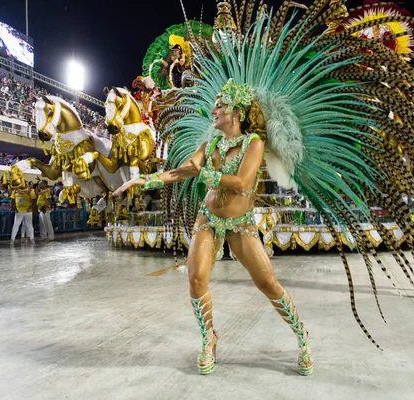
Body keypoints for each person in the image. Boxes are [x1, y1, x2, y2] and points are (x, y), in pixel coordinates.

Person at [113, 81, 313, 376]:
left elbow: (243, 183)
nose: (213, 110)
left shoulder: (254, 143)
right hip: (207, 219)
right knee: (196, 280)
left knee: (268, 283)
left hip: (240, 224)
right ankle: (209, 339)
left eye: (219, 106)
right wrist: (144, 181)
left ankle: (302, 339)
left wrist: (204, 172)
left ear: (236, 112)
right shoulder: (210, 146)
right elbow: (181, 171)